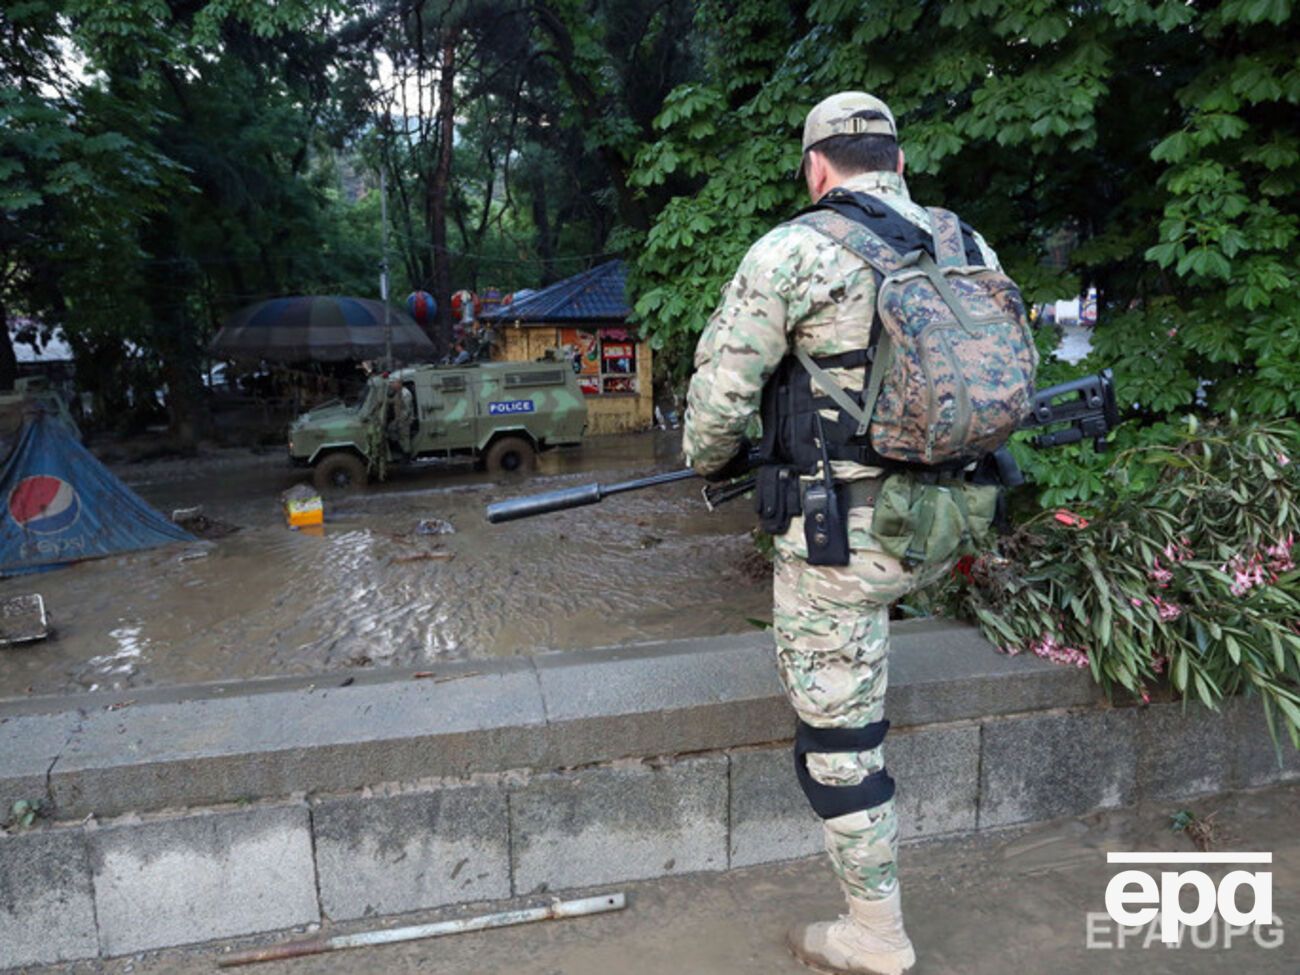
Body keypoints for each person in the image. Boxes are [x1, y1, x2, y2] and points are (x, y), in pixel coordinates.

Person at [682, 92, 1008, 975]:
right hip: (949, 519)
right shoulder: (968, 244)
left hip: (843, 543)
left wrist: (712, 461)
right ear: (900, 163)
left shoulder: (790, 251)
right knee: (864, 649)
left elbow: (717, 406)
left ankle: (874, 934)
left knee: (839, 740)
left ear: (816, 167)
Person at [385, 378, 414, 456]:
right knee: (390, 429)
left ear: (400, 384)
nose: (393, 385)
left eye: (394, 383)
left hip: (405, 419)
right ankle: (399, 449)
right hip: (399, 418)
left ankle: (406, 454)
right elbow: (394, 400)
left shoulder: (405, 394)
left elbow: (407, 410)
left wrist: (398, 420)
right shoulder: (398, 392)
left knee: (404, 437)